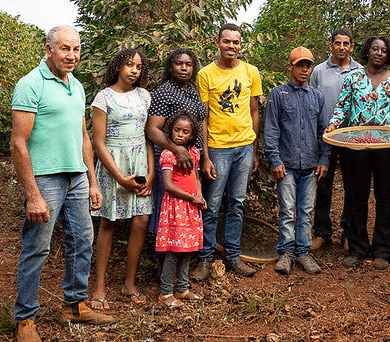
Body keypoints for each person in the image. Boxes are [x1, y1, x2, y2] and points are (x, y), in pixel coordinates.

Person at [10, 26, 113, 342]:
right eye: (65, 48)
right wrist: (33, 194)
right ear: (49, 49)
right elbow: (18, 143)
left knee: (83, 239)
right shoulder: (31, 85)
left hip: (77, 176)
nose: (72, 55)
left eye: (77, 49)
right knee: (37, 247)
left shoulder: (77, 86)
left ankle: (75, 304)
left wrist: (93, 181)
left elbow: (84, 137)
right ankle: (25, 319)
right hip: (45, 178)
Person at [326, 36, 390, 269]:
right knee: (357, 196)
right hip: (357, 145)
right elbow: (343, 106)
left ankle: (383, 249)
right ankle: (358, 248)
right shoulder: (354, 78)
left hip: (386, 147)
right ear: (367, 52)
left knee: (383, 197)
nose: (379, 53)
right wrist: (334, 124)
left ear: (388, 55)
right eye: (375, 49)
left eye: (384, 50)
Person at [192, 23, 263, 280]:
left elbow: (254, 112)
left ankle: (233, 255)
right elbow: (203, 118)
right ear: (218, 43)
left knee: (237, 203)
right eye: (226, 41)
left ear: (240, 45)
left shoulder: (250, 72)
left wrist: (254, 151)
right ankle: (205, 258)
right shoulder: (205, 74)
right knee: (211, 205)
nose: (231, 46)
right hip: (218, 148)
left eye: (235, 42)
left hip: (244, 146)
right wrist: (206, 156)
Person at [91, 49, 154, 308]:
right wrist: (119, 177)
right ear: (118, 67)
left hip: (139, 162)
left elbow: (148, 136)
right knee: (108, 223)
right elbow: (98, 143)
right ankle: (99, 287)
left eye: (138, 67)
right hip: (113, 164)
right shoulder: (103, 98)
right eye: (129, 65)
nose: (134, 71)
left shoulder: (145, 96)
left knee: (140, 221)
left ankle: (129, 284)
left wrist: (150, 173)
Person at [264, 47, 330, 275]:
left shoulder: (317, 96)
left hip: (311, 163)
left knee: (306, 210)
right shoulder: (278, 94)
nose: (304, 69)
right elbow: (271, 129)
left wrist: (324, 158)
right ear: (290, 67)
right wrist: (274, 159)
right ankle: (286, 253)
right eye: (300, 65)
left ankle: (303, 252)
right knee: (287, 208)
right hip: (287, 164)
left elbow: (323, 130)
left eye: (308, 65)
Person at [309, 28, 362, 250]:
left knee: (352, 185)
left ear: (351, 47)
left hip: (352, 136)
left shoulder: (360, 71)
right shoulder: (319, 71)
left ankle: (348, 232)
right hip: (325, 136)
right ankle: (322, 232)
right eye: (337, 43)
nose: (341, 47)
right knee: (323, 185)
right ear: (330, 46)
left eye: (346, 43)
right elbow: (311, 101)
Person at [145, 48, 207, 235]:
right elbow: (152, 129)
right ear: (170, 67)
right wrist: (178, 150)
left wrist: (204, 158)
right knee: (167, 210)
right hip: (170, 159)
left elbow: (200, 125)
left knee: (186, 209)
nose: (184, 68)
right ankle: (163, 260)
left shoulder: (193, 91)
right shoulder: (164, 92)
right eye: (179, 63)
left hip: (191, 160)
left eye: (188, 64)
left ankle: (182, 254)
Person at [157, 111, 206, 307]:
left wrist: (200, 196)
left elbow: (195, 177)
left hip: (191, 206)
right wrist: (191, 197)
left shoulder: (194, 152)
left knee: (188, 248)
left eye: (185, 131)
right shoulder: (168, 154)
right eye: (176, 130)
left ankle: (182, 288)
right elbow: (168, 185)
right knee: (173, 249)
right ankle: (166, 292)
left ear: (192, 135)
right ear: (170, 131)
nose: (180, 134)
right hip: (176, 207)